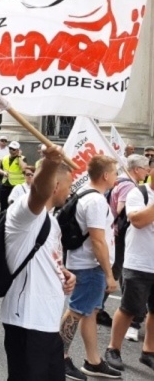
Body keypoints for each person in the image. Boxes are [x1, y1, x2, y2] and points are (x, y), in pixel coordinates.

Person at [2, 145, 76, 380]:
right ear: (55, 186)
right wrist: (52, 163)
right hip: (27, 321)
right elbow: (38, 193)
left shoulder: (51, 221)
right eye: (69, 185)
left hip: (47, 321)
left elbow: (44, 256)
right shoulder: (24, 214)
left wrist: (62, 272)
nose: (71, 191)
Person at [60, 155, 120, 380]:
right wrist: (109, 274)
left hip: (85, 263)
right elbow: (97, 240)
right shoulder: (95, 200)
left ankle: (93, 361)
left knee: (89, 312)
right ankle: (60, 357)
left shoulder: (86, 193)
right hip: (90, 265)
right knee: (77, 311)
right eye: (114, 173)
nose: (116, 177)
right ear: (105, 175)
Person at [105, 155, 154, 373]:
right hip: (139, 263)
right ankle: (113, 349)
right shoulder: (139, 193)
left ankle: (148, 352)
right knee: (130, 308)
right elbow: (138, 221)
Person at [0, 141, 27, 212]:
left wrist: (19, 156)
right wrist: (3, 172)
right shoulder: (5, 158)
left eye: (13, 149)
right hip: (5, 184)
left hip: (16, 185)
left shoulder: (22, 158)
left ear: (18, 150)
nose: (11, 150)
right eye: (10, 148)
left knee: (14, 206)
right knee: (3, 205)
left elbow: (24, 168)